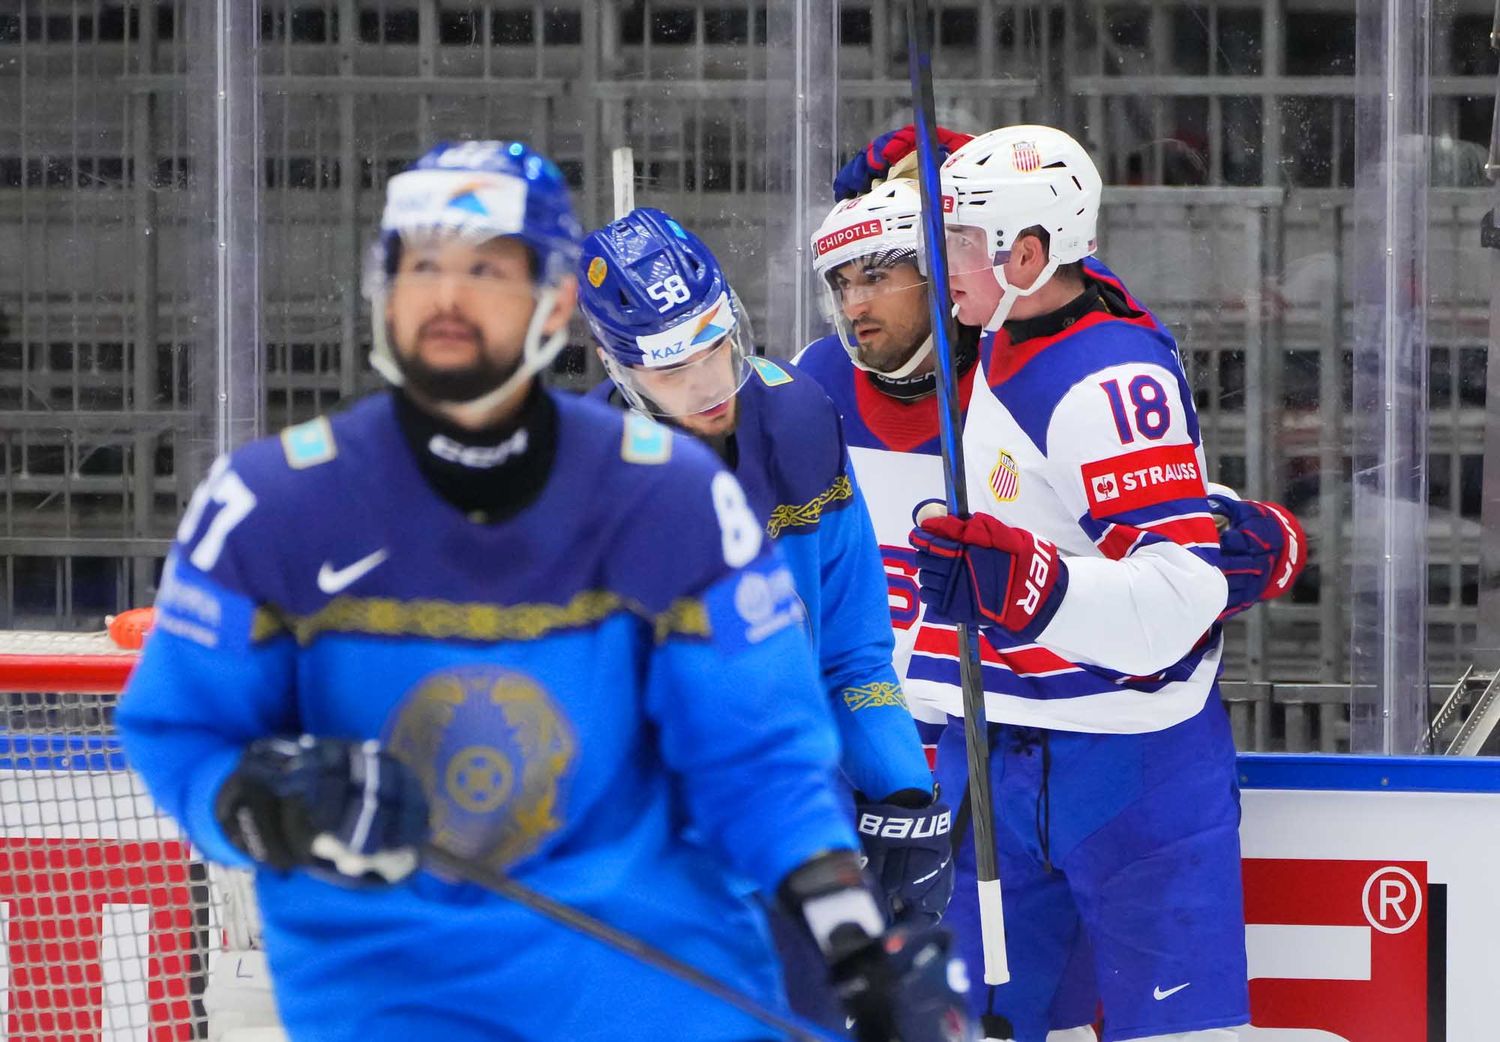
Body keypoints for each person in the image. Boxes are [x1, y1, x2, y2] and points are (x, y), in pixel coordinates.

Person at [117, 141, 969, 1042]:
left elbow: (760, 748)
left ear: (553, 305)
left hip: (638, 986)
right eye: (420, 268)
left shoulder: (676, 500)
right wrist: (257, 801)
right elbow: (179, 732)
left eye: (489, 272)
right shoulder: (266, 505)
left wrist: (850, 929)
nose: (450, 300)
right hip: (395, 997)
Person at [798, 127, 1307, 1042]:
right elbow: (1049, 269)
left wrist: (1034, 587)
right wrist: (972, 181)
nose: (926, 269)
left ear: (1022, 254)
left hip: (1130, 761)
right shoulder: (978, 339)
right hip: (980, 753)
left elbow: (1176, 592)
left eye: (947, 243)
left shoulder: (1096, 370)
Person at [575, 206, 956, 1034]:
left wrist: (903, 791)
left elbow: (852, 654)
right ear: (616, 365)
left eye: (716, 345)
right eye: (673, 369)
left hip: (797, 840)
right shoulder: (582, 481)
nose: (709, 387)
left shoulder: (799, 419)